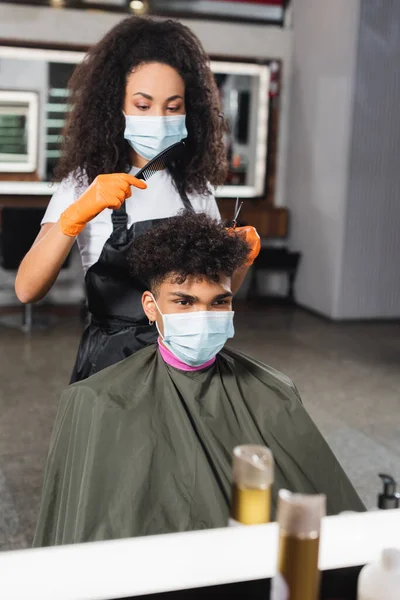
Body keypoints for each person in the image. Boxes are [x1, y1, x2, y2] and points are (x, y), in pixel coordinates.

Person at [34, 212, 364, 547]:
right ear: (151, 306)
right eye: (183, 301)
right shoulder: (95, 402)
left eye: (219, 302)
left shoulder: (274, 392)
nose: (203, 317)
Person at [15, 16, 259, 383]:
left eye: (173, 106)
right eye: (143, 105)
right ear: (117, 105)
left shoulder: (196, 188)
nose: (159, 117)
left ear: (189, 111)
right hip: (112, 369)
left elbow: (210, 295)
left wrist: (239, 262)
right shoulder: (82, 182)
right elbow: (27, 288)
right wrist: (75, 214)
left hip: (184, 368)